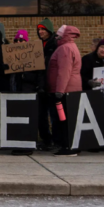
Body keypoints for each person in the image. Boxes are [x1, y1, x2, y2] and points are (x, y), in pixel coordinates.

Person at [48, 25, 82, 157]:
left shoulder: (65, 49)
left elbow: (64, 71)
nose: (56, 37)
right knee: (67, 119)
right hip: (69, 90)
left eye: (58, 35)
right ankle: (70, 145)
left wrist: (59, 90)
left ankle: (67, 146)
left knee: (63, 120)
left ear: (64, 35)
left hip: (64, 91)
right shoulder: (70, 46)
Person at [37, 18, 60, 148]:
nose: (40, 31)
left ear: (49, 30)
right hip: (41, 85)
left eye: (43, 29)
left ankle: (56, 139)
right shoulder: (38, 46)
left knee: (54, 114)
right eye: (39, 29)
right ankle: (46, 138)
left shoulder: (55, 45)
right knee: (41, 115)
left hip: (52, 85)